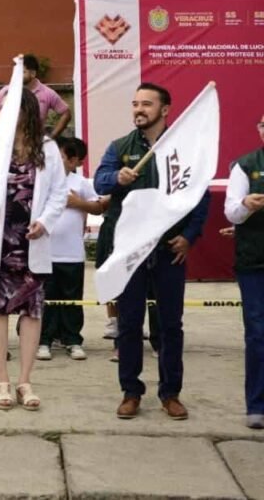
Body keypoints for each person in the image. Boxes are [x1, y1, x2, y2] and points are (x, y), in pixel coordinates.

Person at [94, 83, 209, 420]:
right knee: (129, 325)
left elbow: (200, 195)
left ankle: (170, 393)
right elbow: (100, 182)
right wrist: (118, 177)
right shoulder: (120, 147)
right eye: (135, 104)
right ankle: (131, 392)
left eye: (146, 104)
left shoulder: (184, 148)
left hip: (168, 249)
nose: (138, 109)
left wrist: (189, 236)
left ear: (166, 109)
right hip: (131, 251)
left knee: (171, 326)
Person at [0, 89, 67, 412]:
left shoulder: (48, 149)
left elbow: (59, 192)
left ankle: (25, 380)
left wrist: (45, 221)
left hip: (31, 240)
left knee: (31, 311)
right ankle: (1, 379)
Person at [38, 138, 106, 362]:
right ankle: (44, 340)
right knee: (46, 298)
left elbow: (98, 207)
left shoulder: (81, 183)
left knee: (72, 299)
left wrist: (79, 203)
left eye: (63, 156)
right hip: (45, 252)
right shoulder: (43, 181)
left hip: (72, 253)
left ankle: (72, 340)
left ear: (75, 160)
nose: (57, 160)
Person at [224, 112, 264, 430]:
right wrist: (246, 205)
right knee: (258, 333)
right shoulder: (245, 165)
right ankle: (257, 404)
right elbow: (231, 212)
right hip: (255, 262)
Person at [0, 54, 71, 139]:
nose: (17, 75)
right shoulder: (7, 91)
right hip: (9, 143)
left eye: (22, 72)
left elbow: (66, 113)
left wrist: (52, 136)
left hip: (35, 143)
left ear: (33, 73)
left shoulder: (47, 93)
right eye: (16, 72)